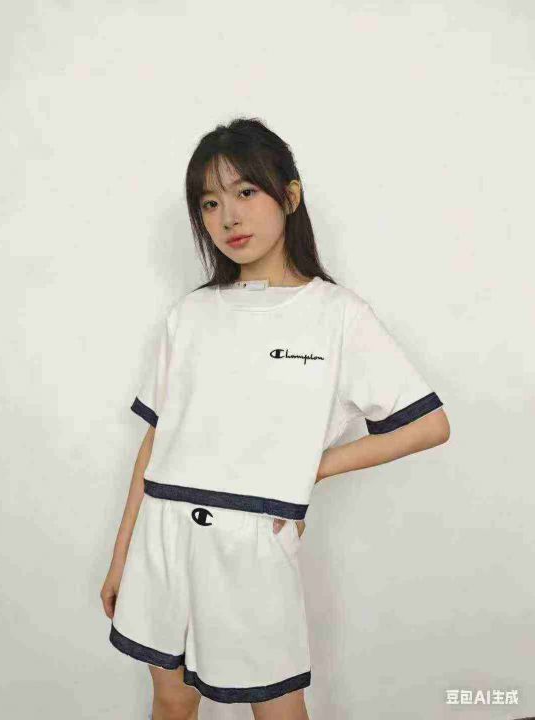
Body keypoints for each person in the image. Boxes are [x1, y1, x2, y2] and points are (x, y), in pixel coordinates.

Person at [100, 117, 450, 720]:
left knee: (278, 708)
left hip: (251, 544)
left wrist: (308, 468)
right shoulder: (190, 316)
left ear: (289, 195)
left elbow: (428, 425)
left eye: (245, 192)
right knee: (172, 700)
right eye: (210, 203)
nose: (228, 217)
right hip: (162, 535)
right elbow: (157, 441)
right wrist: (121, 555)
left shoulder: (338, 315)